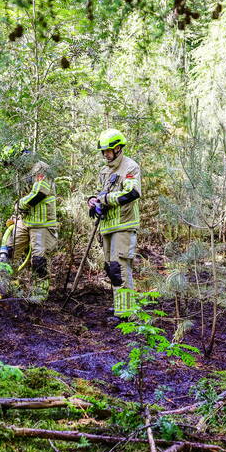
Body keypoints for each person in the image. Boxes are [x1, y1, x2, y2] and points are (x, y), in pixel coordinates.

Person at [87, 129, 141, 318]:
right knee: (112, 269)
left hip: (124, 225)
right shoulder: (104, 170)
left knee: (120, 267)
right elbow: (99, 192)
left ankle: (127, 313)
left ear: (118, 148)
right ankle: (121, 306)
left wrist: (106, 199)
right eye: (103, 151)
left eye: (108, 151)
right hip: (107, 226)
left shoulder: (130, 167)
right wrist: (93, 200)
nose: (105, 155)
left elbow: (132, 193)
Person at [0, 154, 58, 301]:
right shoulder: (22, 174)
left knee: (39, 261)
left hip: (42, 224)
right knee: (8, 253)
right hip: (24, 221)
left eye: (12, 163)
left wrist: (20, 205)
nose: (12, 167)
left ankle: (38, 296)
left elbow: (39, 193)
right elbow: (24, 196)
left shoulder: (41, 168)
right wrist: (16, 214)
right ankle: (9, 289)